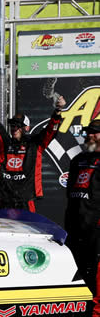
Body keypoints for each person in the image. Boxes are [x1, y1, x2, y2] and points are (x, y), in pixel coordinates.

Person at [0, 96, 66, 212]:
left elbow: (50, 131)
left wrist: (58, 111)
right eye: (12, 125)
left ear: (26, 128)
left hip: (25, 199)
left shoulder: (35, 143)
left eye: (18, 126)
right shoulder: (6, 144)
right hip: (5, 199)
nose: (14, 128)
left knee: (28, 228)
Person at [64, 119, 100, 316]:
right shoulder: (78, 160)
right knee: (79, 274)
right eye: (88, 132)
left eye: (95, 133)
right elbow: (70, 194)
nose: (89, 136)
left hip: (97, 229)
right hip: (77, 228)